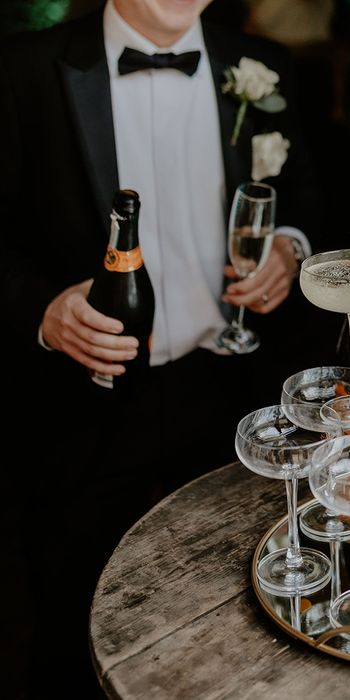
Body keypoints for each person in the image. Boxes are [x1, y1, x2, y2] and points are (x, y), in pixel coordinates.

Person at [0, 0, 324, 695]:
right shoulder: (23, 69)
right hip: (81, 401)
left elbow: (307, 196)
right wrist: (42, 309)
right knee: (72, 629)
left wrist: (291, 252)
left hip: (233, 394)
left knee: (241, 620)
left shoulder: (264, 67)